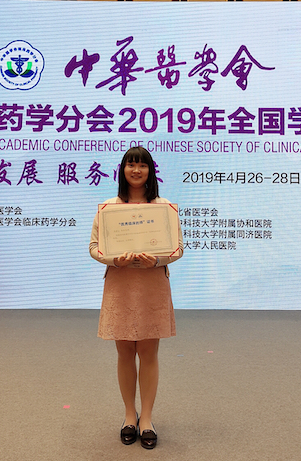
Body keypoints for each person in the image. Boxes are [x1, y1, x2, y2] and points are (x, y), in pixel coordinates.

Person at [89, 146, 183, 449]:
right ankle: (130, 415)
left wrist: (157, 260)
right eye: (130, 164)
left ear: (150, 171)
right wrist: (113, 259)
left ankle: (147, 420)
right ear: (123, 170)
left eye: (142, 165)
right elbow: (94, 247)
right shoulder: (109, 208)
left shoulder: (164, 207)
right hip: (120, 285)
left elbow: (178, 248)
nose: (136, 170)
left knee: (149, 353)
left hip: (152, 284)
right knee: (125, 352)